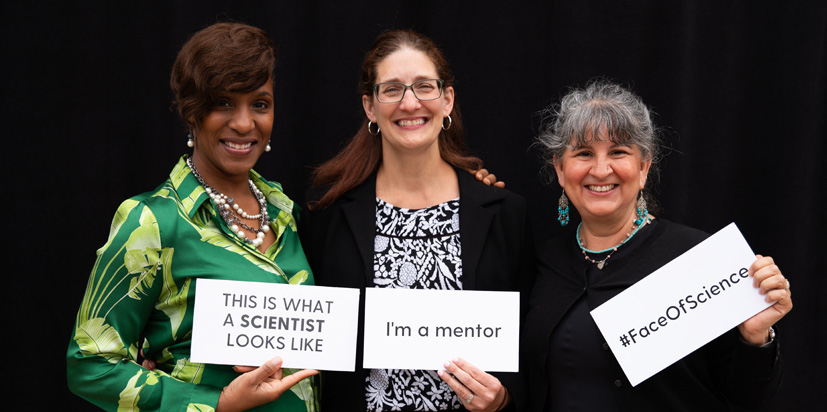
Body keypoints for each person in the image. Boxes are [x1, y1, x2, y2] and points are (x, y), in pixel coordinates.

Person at [66, 22, 319, 412]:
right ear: (192, 112)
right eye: (223, 103)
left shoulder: (290, 214)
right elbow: (90, 365)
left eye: (260, 103)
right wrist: (214, 403)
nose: (244, 123)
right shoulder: (152, 221)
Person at [523, 80, 792, 411]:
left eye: (619, 152)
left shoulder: (698, 258)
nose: (601, 169)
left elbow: (748, 399)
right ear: (561, 170)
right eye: (583, 153)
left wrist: (754, 339)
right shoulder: (544, 261)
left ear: (644, 167)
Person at [303, 30, 533, 411]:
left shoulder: (503, 212)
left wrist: (506, 397)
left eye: (424, 87)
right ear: (370, 107)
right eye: (391, 89)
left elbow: (531, 337)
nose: (410, 103)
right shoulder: (326, 214)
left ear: (447, 100)